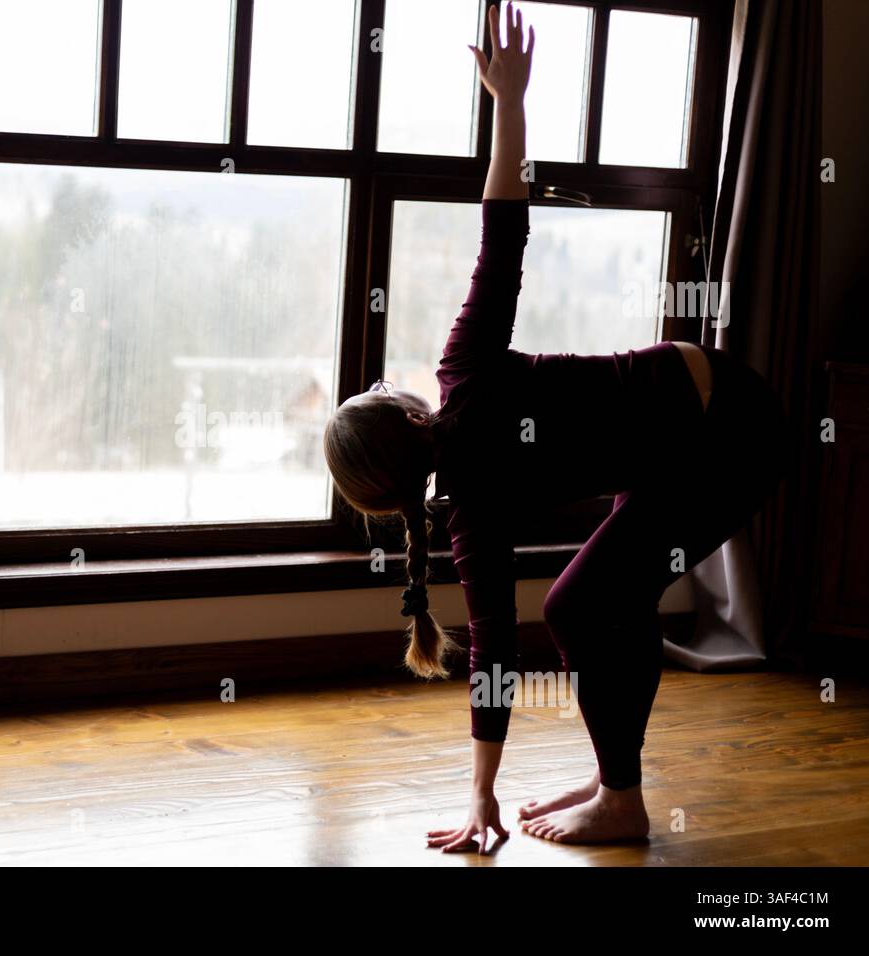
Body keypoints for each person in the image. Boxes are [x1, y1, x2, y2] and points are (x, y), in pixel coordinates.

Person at [322, 2, 787, 848]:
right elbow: (504, 231)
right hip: (715, 425)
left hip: (724, 427)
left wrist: (481, 797)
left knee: (583, 602)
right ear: (405, 409)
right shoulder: (463, 373)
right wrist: (509, 101)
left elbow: (493, 656)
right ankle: (620, 784)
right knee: (603, 600)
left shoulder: (466, 512)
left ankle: (621, 794)